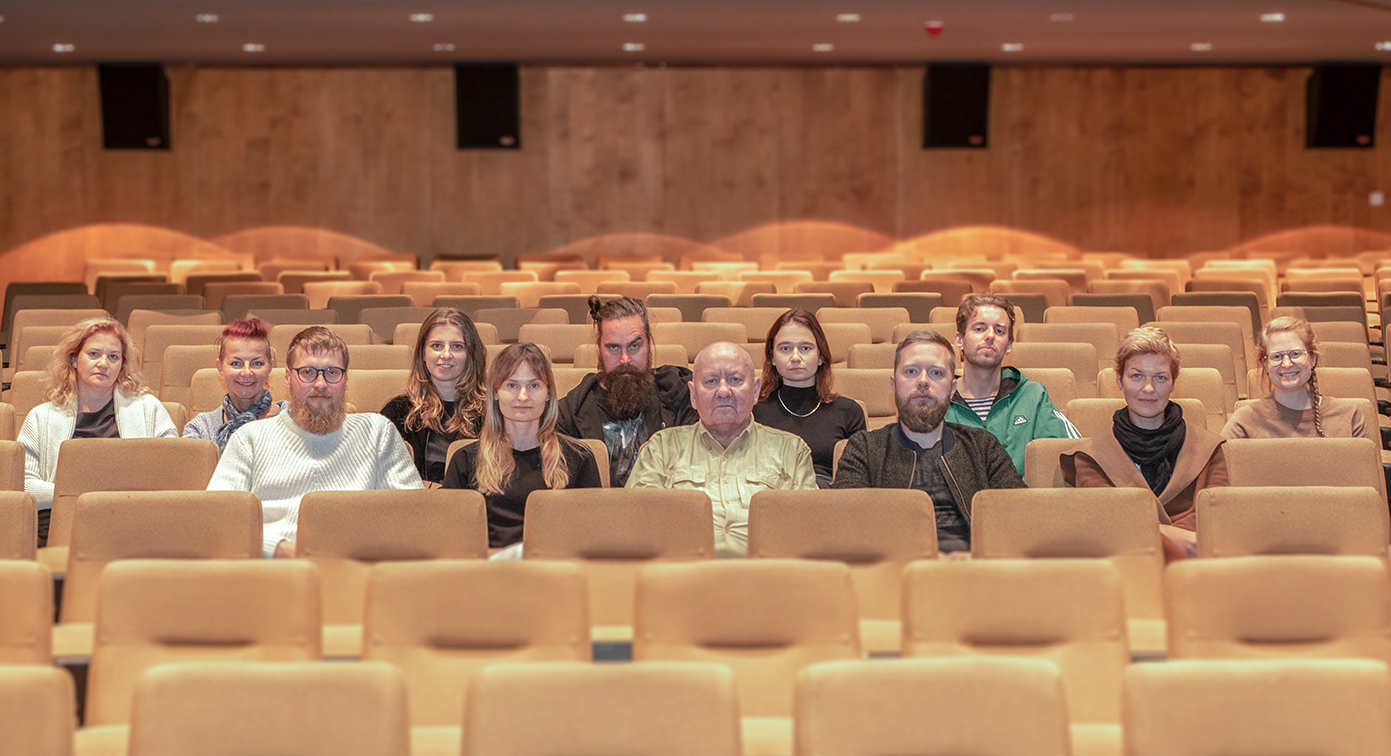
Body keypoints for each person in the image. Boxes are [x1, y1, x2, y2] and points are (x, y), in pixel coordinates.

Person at [207, 326, 422, 558]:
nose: (320, 383)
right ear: (288, 378)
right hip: (271, 571)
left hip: (357, 567)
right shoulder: (249, 439)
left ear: (346, 380)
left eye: (332, 372)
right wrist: (280, 549)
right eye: (307, 372)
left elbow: (412, 516)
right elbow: (218, 520)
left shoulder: (378, 432)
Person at [833, 329, 1024, 555]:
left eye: (936, 373)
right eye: (911, 371)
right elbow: (844, 528)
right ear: (894, 384)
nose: (923, 381)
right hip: (894, 572)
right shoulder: (864, 448)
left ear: (952, 389)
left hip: (975, 570)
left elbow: (1019, 518)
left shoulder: (982, 446)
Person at [626, 341, 816, 557]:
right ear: (693, 395)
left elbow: (806, 531)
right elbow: (638, 523)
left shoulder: (791, 451)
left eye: (735, 380)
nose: (723, 391)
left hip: (765, 576)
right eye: (711, 381)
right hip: (683, 573)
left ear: (755, 391)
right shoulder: (661, 449)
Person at [1061, 326, 1227, 558]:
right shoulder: (1091, 456)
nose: (1148, 388)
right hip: (1125, 567)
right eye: (1137, 376)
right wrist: (1176, 536)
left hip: (1197, 568)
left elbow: (1218, 519)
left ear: (1173, 384)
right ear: (1119, 381)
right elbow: (1106, 525)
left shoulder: (1209, 449)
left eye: (1160, 378)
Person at [19, 316, 178, 544]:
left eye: (113, 357)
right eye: (94, 354)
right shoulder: (41, 416)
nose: (103, 363)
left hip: (132, 519)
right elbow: (23, 484)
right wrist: (85, 497)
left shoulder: (148, 408)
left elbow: (173, 470)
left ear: (122, 365)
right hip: (61, 521)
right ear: (74, 359)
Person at [443, 343, 602, 550]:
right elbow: (452, 540)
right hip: (489, 573)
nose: (523, 396)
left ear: (548, 393)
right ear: (495, 393)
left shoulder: (579, 458)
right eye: (512, 385)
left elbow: (592, 537)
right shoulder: (465, 460)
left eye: (534, 385)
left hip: (556, 572)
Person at [557, 295, 699, 487]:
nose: (625, 359)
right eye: (613, 348)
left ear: (649, 343)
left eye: (634, 346)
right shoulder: (570, 415)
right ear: (599, 348)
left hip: (666, 512)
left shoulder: (680, 396)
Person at [944, 292, 1079, 475]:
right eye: (979, 328)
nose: (990, 336)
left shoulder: (1033, 395)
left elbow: (1075, 453)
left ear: (1008, 345)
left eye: (999, 331)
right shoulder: (938, 401)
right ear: (959, 340)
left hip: (1021, 501)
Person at [752, 309, 865, 488]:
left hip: (827, 504)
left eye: (805, 348)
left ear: (820, 356)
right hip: (771, 501)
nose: (795, 357)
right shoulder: (754, 410)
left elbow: (857, 481)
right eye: (785, 348)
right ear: (772, 357)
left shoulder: (848, 412)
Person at [1221, 315, 1376, 442]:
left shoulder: (1349, 416)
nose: (1287, 364)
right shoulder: (1245, 420)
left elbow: (1366, 478)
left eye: (1296, 354)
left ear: (1313, 359)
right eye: (1276, 356)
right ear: (1266, 365)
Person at [381, 308, 488, 485]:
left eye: (457, 346)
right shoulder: (397, 413)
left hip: (479, 509)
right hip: (418, 508)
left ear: (470, 354)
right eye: (437, 346)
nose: (446, 355)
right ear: (423, 353)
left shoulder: (494, 411)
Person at [183, 317, 287, 451]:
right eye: (236, 363)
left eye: (257, 363)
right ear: (220, 368)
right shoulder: (200, 429)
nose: (247, 372)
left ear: (270, 368)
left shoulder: (294, 420)